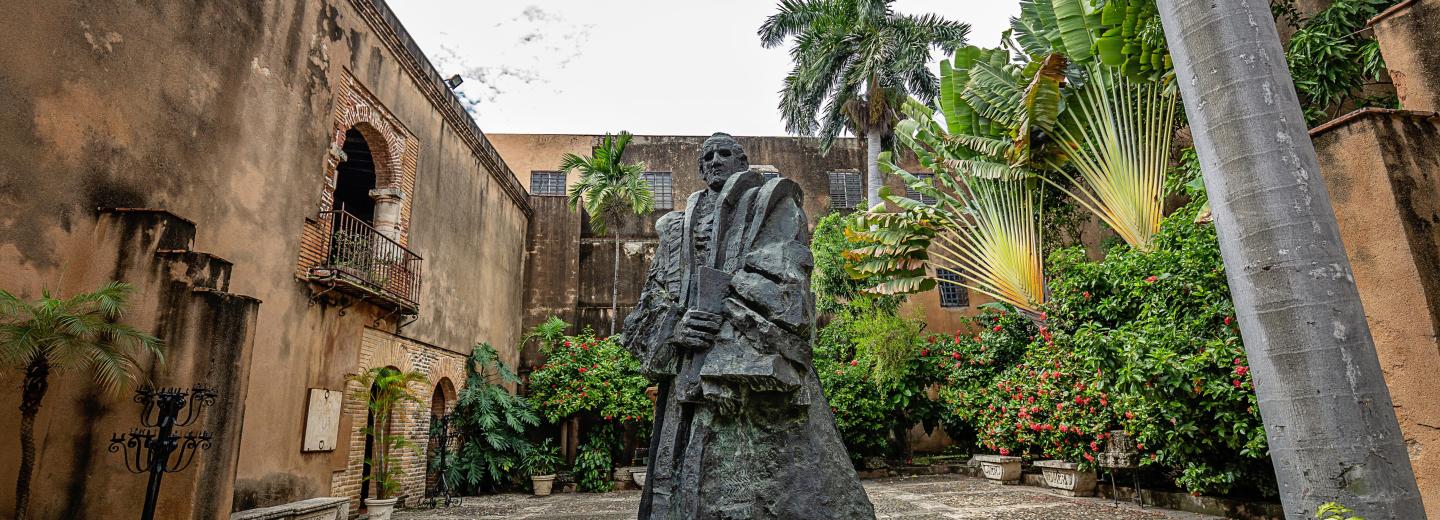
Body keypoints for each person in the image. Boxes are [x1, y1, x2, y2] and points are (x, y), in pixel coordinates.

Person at [622, 133, 874, 519]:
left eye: (726, 153)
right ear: (700, 168)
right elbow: (648, 306)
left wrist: (724, 312)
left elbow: (788, 274)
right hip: (688, 381)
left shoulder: (774, 204)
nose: (716, 160)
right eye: (708, 156)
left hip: (757, 372)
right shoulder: (674, 230)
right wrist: (677, 327)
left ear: (742, 162)